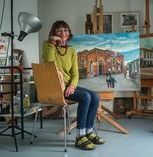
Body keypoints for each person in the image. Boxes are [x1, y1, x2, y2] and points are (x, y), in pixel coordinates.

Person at [42, 20, 104, 150]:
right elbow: (49, 63)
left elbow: (75, 74)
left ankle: (89, 132)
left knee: (95, 96)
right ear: (54, 33)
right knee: (85, 97)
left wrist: (72, 86)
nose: (63, 33)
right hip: (56, 87)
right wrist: (52, 43)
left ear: (69, 33)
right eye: (59, 30)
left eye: (65, 30)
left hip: (67, 86)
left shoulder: (71, 51)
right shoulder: (48, 46)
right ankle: (80, 136)